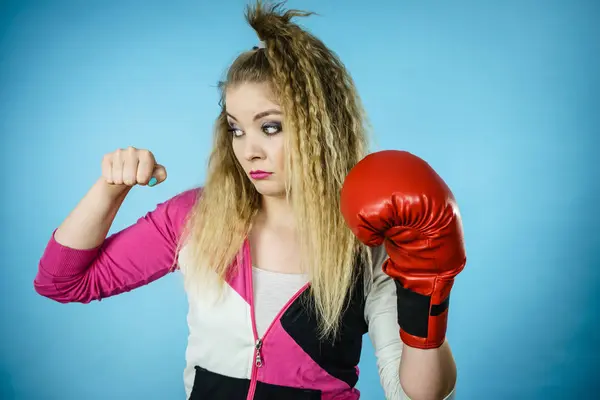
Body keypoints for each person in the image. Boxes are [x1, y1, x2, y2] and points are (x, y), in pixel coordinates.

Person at [34, 2, 466, 399]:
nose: (248, 150)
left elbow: (417, 395)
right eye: (236, 128)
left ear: (322, 128)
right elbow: (61, 282)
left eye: (270, 127)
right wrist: (111, 188)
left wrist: (428, 289)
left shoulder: (367, 241)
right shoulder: (196, 217)